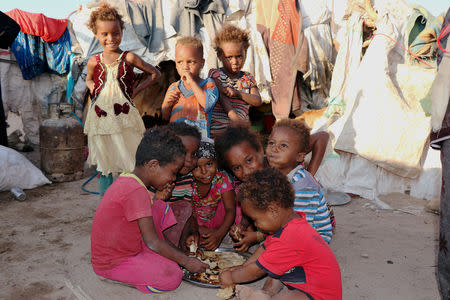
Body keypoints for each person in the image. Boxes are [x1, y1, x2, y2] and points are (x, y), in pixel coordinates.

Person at [91, 127, 207, 294]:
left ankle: (151, 258)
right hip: (113, 262)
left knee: (160, 207)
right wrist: (186, 262)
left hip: (130, 245)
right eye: (173, 172)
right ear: (153, 165)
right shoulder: (135, 190)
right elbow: (152, 242)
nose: (174, 178)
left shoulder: (130, 180)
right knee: (173, 276)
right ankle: (116, 275)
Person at [219, 168, 342, 300]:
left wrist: (232, 277)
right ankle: (265, 294)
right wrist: (243, 267)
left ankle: (264, 297)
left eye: (255, 220)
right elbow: (263, 250)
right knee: (274, 269)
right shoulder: (290, 224)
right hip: (306, 283)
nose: (255, 225)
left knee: (282, 296)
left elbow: (256, 271)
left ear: (273, 211)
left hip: (319, 295)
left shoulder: (289, 237)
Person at [84, 3, 161, 195]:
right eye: (105, 34)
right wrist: (93, 87)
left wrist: (136, 90)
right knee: (105, 164)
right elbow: (88, 80)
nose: (111, 38)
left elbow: (155, 74)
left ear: (122, 31)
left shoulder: (129, 58)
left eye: (116, 33)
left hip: (124, 118)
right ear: (96, 34)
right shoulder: (94, 62)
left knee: (130, 160)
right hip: (102, 119)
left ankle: (131, 200)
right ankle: (107, 205)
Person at [215, 125, 331, 252]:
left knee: (270, 256)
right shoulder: (254, 179)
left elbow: (294, 226)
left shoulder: (291, 174)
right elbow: (254, 207)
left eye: (249, 160)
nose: (246, 171)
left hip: (311, 234)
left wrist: (258, 236)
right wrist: (242, 226)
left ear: (260, 150)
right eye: (237, 168)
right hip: (284, 224)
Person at [266, 119, 333, 243]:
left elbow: (299, 224)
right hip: (290, 224)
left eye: (283, 146)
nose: (274, 149)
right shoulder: (274, 173)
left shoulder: (302, 186)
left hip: (314, 237)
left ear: (299, 157)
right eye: (271, 143)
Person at [149, 122, 201, 249]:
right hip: (150, 232)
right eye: (183, 152)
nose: (189, 159)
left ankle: (179, 248)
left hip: (172, 233)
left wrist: (193, 232)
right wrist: (157, 199)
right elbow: (141, 213)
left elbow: (187, 212)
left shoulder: (188, 178)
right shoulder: (156, 177)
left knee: (185, 207)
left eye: (194, 154)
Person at [208, 24, 262, 138]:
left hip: (239, 134)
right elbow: (221, 96)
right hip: (218, 133)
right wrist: (235, 118)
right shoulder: (215, 74)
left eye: (239, 56)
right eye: (229, 57)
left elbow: (257, 100)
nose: (235, 61)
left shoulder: (248, 78)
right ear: (219, 56)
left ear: (245, 53)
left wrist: (238, 93)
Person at [161, 36, 219, 138]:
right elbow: (165, 117)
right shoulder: (173, 87)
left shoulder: (208, 84)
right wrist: (166, 104)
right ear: (175, 64)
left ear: (202, 63)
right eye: (180, 62)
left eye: (190, 61)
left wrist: (191, 80)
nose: (185, 67)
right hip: (176, 141)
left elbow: (207, 105)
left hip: (200, 140)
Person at [191, 138, 236, 250]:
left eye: (209, 164)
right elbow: (190, 214)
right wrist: (198, 229)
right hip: (196, 223)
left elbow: (231, 210)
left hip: (220, 223)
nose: (204, 171)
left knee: (236, 199)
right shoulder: (188, 183)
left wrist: (219, 234)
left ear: (217, 163)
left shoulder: (221, 181)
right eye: (196, 167)